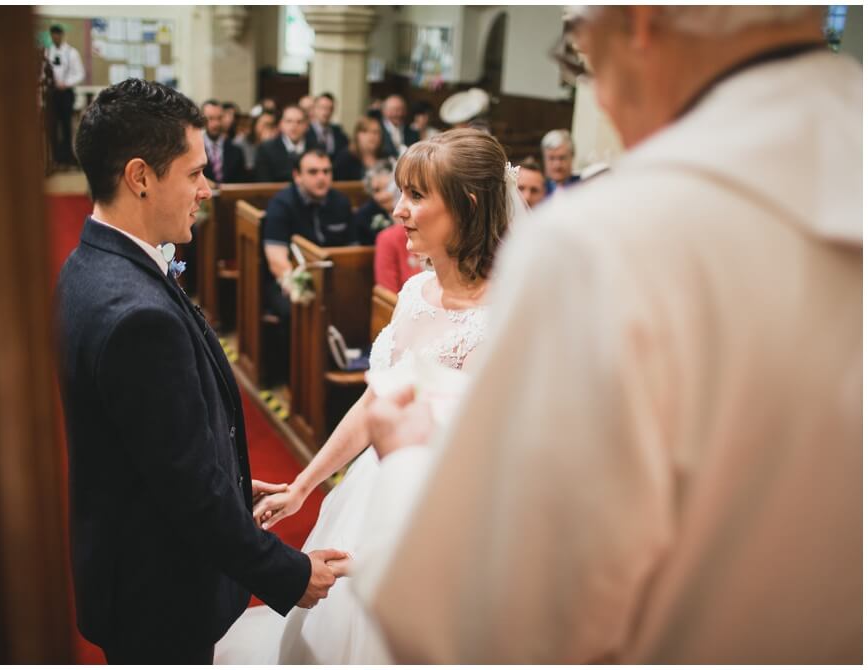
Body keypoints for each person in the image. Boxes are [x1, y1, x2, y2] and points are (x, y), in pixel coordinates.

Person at [356, 6, 861, 664]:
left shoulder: (604, 247)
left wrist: (408, 463)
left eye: (580, 51)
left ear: (642, 22)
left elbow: (482, 632)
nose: (595, 87)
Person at [55, 79, 348, 664]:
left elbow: (155, 440)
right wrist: (287, 572)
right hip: (157, 590)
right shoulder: (136, 313)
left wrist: (236, 481)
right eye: (193, 173)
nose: (207, 189)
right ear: (141, 176)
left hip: (127, 562)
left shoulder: (90, 263)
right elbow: (185, 489)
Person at [215, 129, 526, 664]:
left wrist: (386, 554)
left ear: (468, 204)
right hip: (371, 492)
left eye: (418, 195)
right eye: (401, 192)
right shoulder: (413, 293)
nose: (398, 210)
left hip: (442, 523)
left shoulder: (505, 316)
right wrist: (304, 486)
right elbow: (374, 404)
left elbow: (483, 469)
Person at [261, 148, 355, 320]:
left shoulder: (341, 202)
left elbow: (353, 250)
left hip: (333, 279)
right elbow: (277, 262)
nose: (322, 177)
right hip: (291, 281)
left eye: (326, 171)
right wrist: (302, 289)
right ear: (297, 176)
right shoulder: (280, 204)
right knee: (298, 310)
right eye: (313, 172)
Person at [44, 24, 85, 166]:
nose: (55, 37)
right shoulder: (47, 52)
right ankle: (55, 157)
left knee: (67, 126)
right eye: (53, 34)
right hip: (52, 94)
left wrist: (66, 83)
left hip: (66, 93)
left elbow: (79, 73)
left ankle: (68, 157)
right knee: (53, 126)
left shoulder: (71, 53)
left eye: (57, 34)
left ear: (62, 35)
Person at [254, 105, 310, 182]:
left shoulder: (316, 148)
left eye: (299, 122)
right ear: (281, 124)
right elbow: (263, 183)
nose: (294, 126)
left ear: (306, 125)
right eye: (289, 121)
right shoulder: (266, 149)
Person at [352, 159, 398, 245]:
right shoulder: (364, 215)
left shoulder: (410, 209)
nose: (383, 196)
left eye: (387, 188)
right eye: (377, 190)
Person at [200, 99, 246, 184]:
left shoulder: (236, 151)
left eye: (219, 118)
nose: (216, 123)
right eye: (211, 118)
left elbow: (241, 184)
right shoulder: (194, 149)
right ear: (202, 119)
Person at [333, 116, 386, 182]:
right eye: (366, 131)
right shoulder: (344, 159)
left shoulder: (386, 158)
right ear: (357, 135)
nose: (372, 136)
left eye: (376, 132)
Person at [305, 93, 349, 158]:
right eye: (322, 107)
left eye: (330, 108)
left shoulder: (338, 132)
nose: (326, 112)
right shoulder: (305, 131)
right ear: (314, 109)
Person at [236, 109, 277, 176]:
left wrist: (269, 145)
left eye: (271, 126)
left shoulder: (275, 143)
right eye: (266, 125)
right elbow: (250, 167)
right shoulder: (241, 142)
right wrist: (264, 146)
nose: (268, 129)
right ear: (255, 124)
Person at [541, 128, 580, 195]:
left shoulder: (583, 187)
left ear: (572, 157)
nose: (557, 165)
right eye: (551, 158)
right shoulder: (538, 189)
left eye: (562, 158)